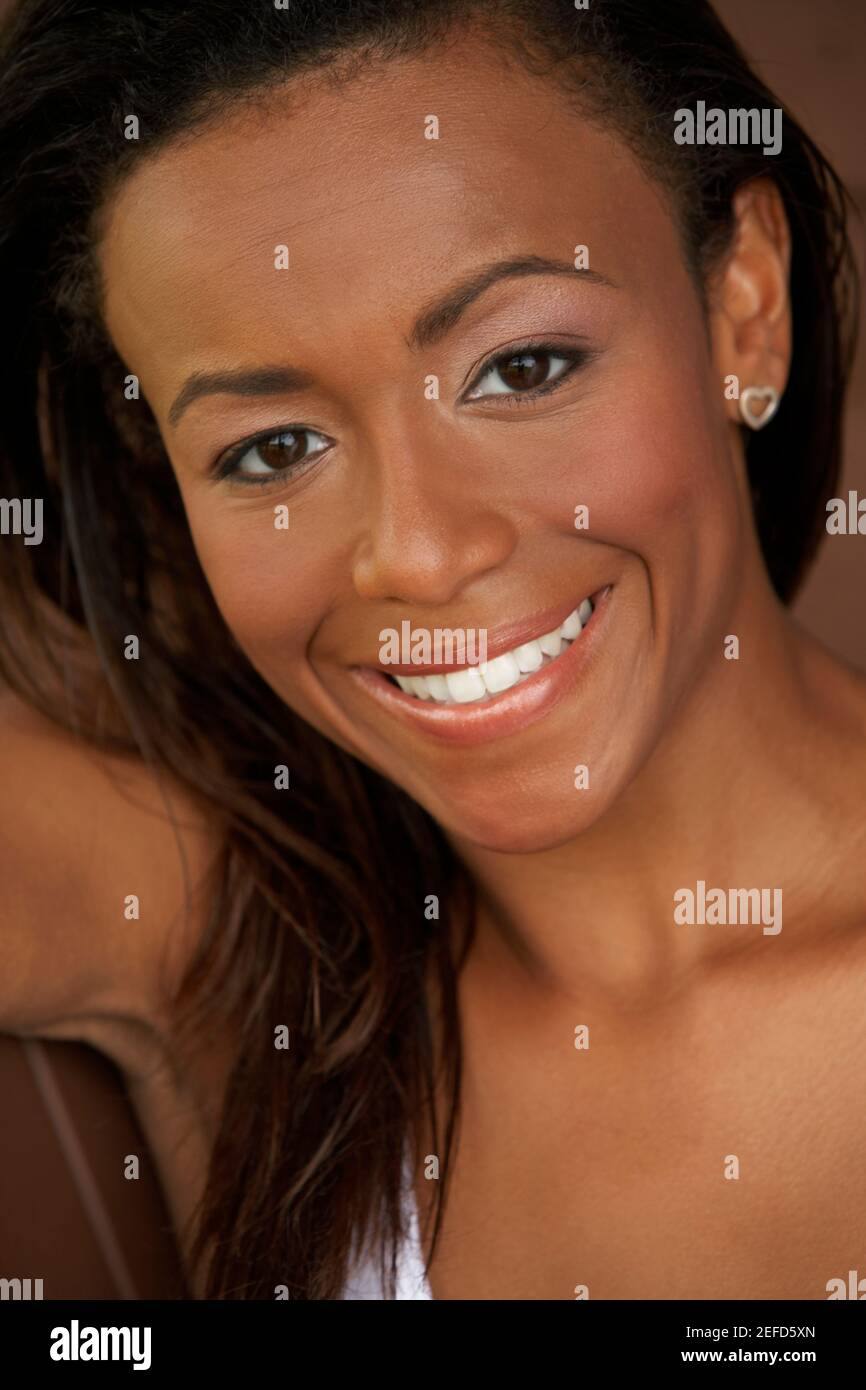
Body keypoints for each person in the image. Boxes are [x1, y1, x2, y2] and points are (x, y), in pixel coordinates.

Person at [0, 0, 864, 1300]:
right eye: (271, 449)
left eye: (518, 367)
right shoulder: (239, 963)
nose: (412, 552)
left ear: (742, 305)